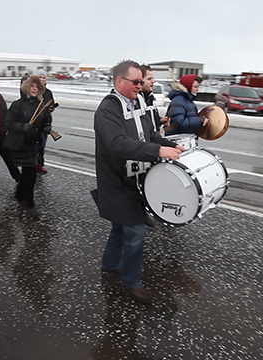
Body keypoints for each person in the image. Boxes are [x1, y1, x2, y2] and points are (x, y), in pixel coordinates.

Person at [92, 60, 184, 303]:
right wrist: (157, 153)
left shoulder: (137, 103)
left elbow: (150, 135)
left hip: (136, 180)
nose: (139, 85)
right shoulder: (107, 110)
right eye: (135, 82)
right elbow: (117, 144)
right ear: (119, 82)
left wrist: (169, 145)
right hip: (117, 183)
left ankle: (109, 265)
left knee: (119, 227)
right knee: (135, 232)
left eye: (141, 81)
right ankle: (131, 280)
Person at [3, 75, 52, 220]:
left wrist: (48, 126)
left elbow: (46, 118)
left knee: (28, 172)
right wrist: (23, 127)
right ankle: (29, 203)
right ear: (26, 88)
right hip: (21, 142)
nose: (35, 89)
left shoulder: (40, 104)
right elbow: (8, 123)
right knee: (30, 173)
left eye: (37, 87)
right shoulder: (17, 104)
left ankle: (20, 195)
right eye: (32, 86)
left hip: (34, 142)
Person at [139, 64, 171, 133]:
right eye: (149, 79)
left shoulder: (151, 98)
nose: (153, 81)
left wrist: (160, 121)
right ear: (140, 80)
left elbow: (151, 122)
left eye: (153, 78)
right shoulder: (135, 101)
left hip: (153, 140)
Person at [35, 69, 54, 174]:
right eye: (40, 77)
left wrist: (51, 107)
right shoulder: (33, 90)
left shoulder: (48, 92)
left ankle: (40, 164)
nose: (42, 79)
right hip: (34, 122)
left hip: (45, 121)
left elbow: (51, 103)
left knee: (42, 144)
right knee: (34, 144)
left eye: (43, 77)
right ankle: (31, 163)